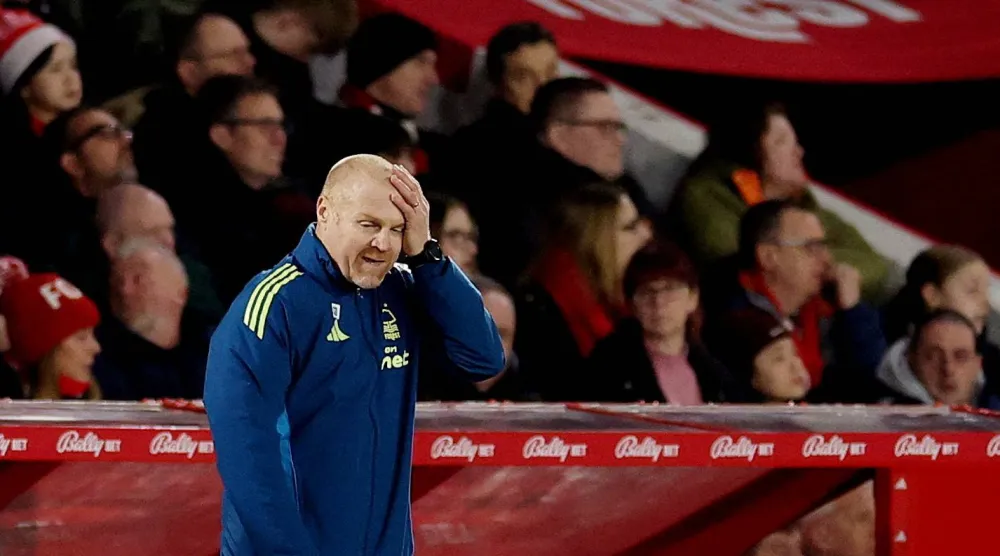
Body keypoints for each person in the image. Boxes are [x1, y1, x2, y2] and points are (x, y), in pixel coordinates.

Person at [203, 155, 504, 555]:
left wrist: (428, 257)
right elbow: (249, 456)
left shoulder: (404, 290)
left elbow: (483, 358)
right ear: (325, 211)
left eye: (397, 229)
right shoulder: (273, 305)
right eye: (369, 224)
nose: (383, 243)